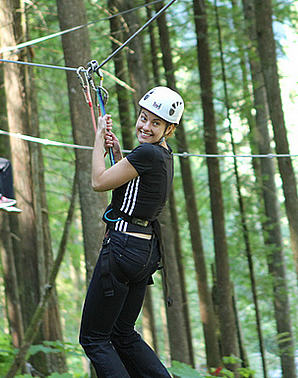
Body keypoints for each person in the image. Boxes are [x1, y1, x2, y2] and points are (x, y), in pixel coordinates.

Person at [79, 86, 184, 377]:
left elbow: (99, 182)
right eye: (143, 118)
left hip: (123, 249)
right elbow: (135, 185)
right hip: (144, 253)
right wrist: (117, 153)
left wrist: (99, 138)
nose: (145, 126)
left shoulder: (148, 153)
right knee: (122, 334)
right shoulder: (162, 153)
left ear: (169, 128)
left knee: (94, 339)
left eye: (156, 123)